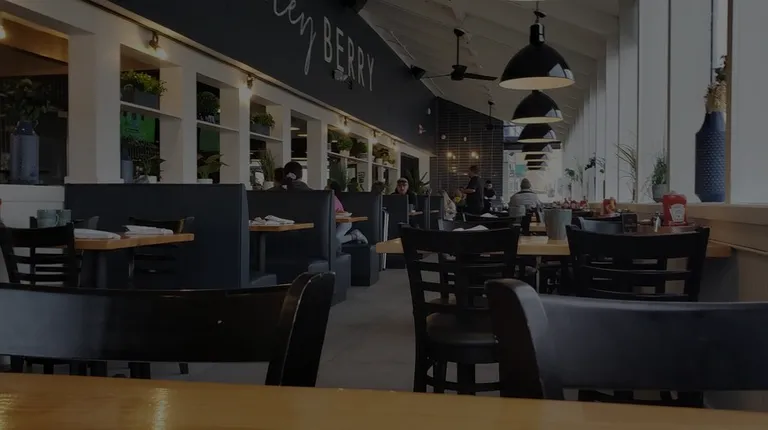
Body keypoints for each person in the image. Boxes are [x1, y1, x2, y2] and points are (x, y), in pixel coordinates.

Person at [327, 180, 367, 245]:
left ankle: (355, 235)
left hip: (344, 222)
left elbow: (330, 213)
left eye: (327, 187)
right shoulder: (328, 199)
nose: (325, 189)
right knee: (331, 240)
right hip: (333, 223)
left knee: (334, 240)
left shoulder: (332, 199)